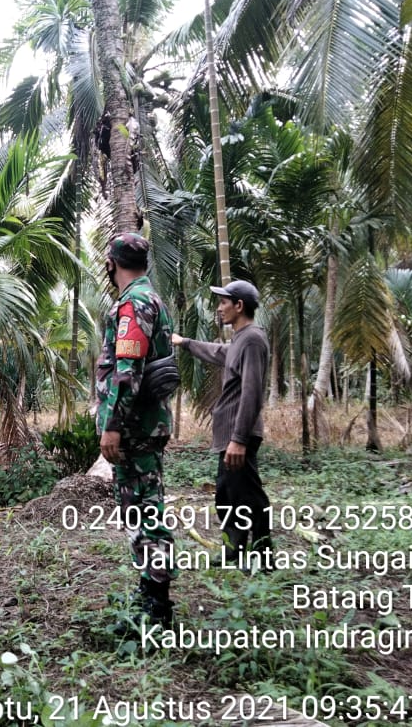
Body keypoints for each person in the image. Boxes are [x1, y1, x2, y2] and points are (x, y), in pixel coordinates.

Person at [95, 233, 176, 633]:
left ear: (112, 263)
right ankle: (150, 591)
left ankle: (156, 607)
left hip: (135, 428)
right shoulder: (153, 300)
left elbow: (127, 375)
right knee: (141, 510)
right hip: (145, 424)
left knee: (146, 512)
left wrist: (111, 426)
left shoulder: (134, 305)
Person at [171, 280, 272, 569]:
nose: (219, 308)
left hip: (238, 435)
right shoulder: (242, 338)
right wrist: (185, 343)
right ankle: (235, 549)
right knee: (228, 495)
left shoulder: (252, 339)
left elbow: (251, 391)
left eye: (224, 302)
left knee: (250, 496)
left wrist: (239, 439)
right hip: (230, 434)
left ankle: (264, 558)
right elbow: (218, 352)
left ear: (239, 306)